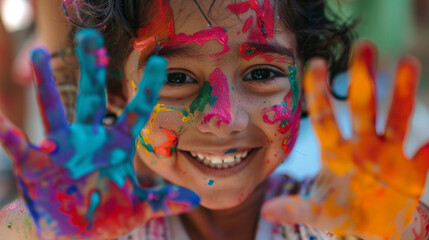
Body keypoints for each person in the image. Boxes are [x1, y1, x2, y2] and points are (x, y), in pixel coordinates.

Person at [0, 0, 428, 239]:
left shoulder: (341, 222)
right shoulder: (102, 228)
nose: (223, 118)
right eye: (177, 78)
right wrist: (38, 228)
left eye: (262, 74)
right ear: (117, 90)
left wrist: (406, 227)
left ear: (308, 78)